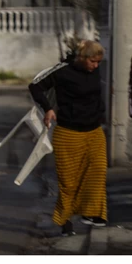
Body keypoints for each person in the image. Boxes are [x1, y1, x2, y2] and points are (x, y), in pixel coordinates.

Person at [28, 40, 107, 237]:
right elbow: (35, 86)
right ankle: (65, 221)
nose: (95, 66)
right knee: (69, 182)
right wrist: (48, 109)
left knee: (97, 170)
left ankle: (92, 213)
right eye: (92, 61)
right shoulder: (63, 70)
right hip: (68, 132)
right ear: (82, 58)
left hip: (94, 130)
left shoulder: (95, 70)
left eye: (98, 62)